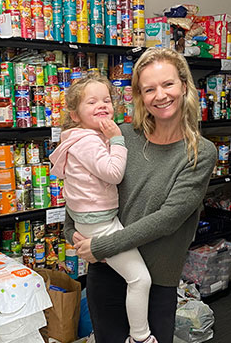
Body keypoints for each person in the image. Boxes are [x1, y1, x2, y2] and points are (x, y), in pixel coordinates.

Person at [66, 48, 218, 343]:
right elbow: (82, 184)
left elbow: (168, 219)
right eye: (150, 89)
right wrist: (72, 229)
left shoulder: (199, 152)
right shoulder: (120, 137)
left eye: (168, 84)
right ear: (140, 96)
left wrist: (103, 244)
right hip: (106, 271)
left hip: (156, 277)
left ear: (184, 86)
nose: (160, 95)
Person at [49, 74, 156, 343]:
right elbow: (113, 173)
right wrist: (118, 140)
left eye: (106, 100)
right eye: (92, 102)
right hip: (101, 222)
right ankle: (140, 338)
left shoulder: (82, 137)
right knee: (140, 279)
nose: (102, 105)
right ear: (75, 115)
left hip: (92, 219)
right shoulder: (87, 141)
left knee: (124, 272)